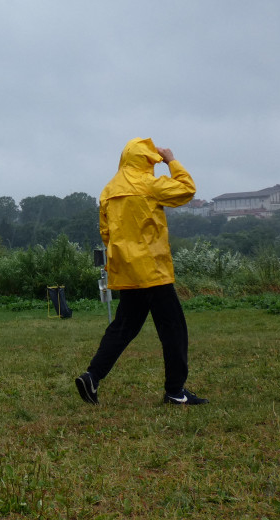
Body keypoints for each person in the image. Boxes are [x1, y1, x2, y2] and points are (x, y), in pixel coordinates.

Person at [76, 138, 207, 407]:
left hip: (126, 271)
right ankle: (175, 391)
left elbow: (106, 233)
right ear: (147, 160)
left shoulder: (108, 190)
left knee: (124, 327)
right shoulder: (149, 184)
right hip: (153, 269)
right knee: (173, 330)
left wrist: (124, 259)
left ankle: (92, 376)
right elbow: (187, 189)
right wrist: (171, 160)